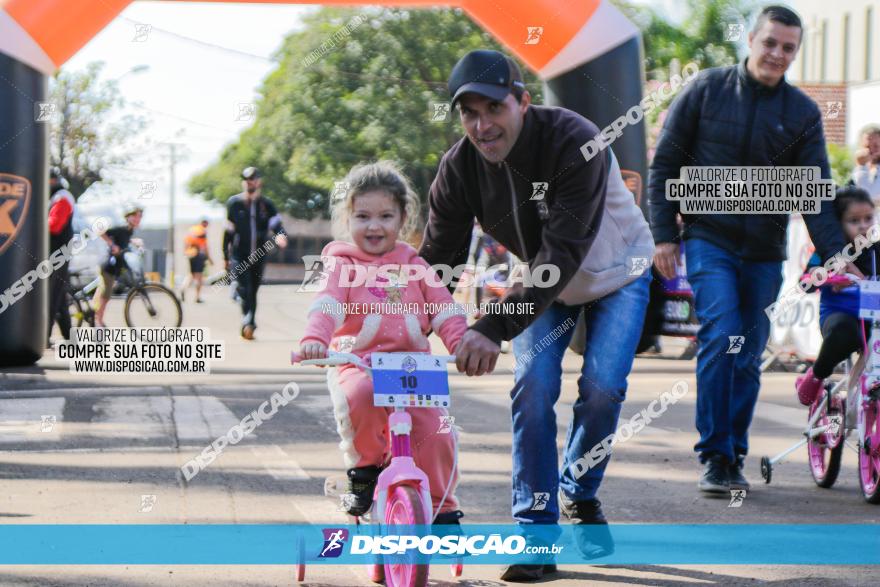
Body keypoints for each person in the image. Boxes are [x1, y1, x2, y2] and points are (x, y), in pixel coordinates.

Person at [419, 49, 654, 581]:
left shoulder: (575, 139)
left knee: (601, 388)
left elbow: (563, 251)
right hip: (545, 286)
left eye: (494, 108)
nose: (482, 125)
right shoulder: (459, 168)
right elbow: (439, 260)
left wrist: (492, 327)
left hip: (617, 273)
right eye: (469, 113)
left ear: (522, 102)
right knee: (532, 387)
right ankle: (535, 535)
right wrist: (405, 321)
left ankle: (580, 491)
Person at [649, 5, 857, 494]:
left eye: (788, 48)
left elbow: (816, 196)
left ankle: (733, 450)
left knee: (746, 354)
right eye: (770, 43)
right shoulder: (705, 90)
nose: (778, 54)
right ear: (750, 39)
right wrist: (663, 233)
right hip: (709, 240)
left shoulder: (802, 114)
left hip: (764, 254)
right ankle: (715, 454)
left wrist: (836, 259)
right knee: (722, 335)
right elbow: (664, 166)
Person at [296, 161, 467, 526]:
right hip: (359, 362)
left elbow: (444, 310)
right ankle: (365, 472)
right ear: (348, 218)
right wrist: (315, 338)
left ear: (403, 218)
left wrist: (461, 341)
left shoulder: (416, 266)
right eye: (362, 216)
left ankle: (441, 507)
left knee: (438, 433)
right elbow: (326, 305)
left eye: (386, 216)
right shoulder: (341, 266)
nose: (374, 226)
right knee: (361, 396)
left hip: (414, 366)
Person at [796, 187, 879, 404]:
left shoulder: (877, 248)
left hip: (876, 319)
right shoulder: (830, 250)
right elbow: (806, 283)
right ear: (839, 224)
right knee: (844, 333)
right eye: (854, 220)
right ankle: (816, 374)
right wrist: (819, 275)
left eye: (868, 218)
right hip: (842, 314)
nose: (863, 225)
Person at [223, 167, 288, 340]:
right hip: (239, 255)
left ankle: (248, 321)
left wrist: (280, 236)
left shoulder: (266, 205)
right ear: (243, 182)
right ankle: (249, 322)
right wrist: (225, 257)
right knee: (246, 288)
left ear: (259, 181)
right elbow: (228, 233)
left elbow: (277, 226)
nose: (250, 182)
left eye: (253, 178)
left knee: (253, 291)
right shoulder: (234, 204)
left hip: (258, 256)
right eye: (246, 179)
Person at [94, 204, 144, 328]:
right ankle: (98, 321)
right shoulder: (122, 228)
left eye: (139, 216)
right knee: (106, 295)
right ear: (127, 217)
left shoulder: (128, 230)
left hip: (117, 265)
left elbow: (123, 240)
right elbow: (101, 232)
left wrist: (133, 241)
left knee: (103, 292)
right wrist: (112, 245)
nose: (137, 219)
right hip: (109, 265)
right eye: (135, 216)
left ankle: (95, 315)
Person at [47, 168, 76, 343]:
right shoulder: (58, 196)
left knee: (51, 296)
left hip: (57, 254)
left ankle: (43, 336)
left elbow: (54, 226)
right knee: (59, 297)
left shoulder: (62, 197)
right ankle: (69, 336)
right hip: (58, 253)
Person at [181, 218, 212, 303]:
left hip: (190, 254)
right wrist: (209, 259)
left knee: (191, 274)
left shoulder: (191, 230)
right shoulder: (202, 231)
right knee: (199, 277)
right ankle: (197, 297)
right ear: (205, 223)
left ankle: (183, 288)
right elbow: (204, 247)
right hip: (198, 255)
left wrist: (186, 252)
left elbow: (186, 242)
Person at [854, 125, 880, 201]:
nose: (871, 151)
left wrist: (861, 167)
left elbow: (867, 197)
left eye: (876, 146)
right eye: (867, 147)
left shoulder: (861, 168)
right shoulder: (856, 169)